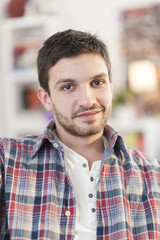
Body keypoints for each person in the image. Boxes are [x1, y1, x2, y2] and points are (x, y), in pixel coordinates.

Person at [0, 29, 160, 240]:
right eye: (68, 86)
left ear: (110, 87)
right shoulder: (7, 160)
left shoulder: (153, 174)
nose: (87, 100)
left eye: (97, 82)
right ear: (46, 98)